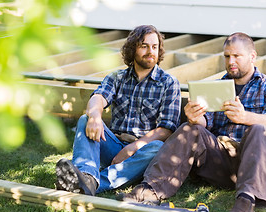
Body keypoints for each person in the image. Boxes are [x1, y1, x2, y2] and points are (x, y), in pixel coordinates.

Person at [117, 32, 266, 212]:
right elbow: (206, 122)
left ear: (252, 56)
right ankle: (149, 190)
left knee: (259, 129)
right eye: (227, 56)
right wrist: (194, 117)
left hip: (260, 165)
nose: (231, 61)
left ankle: (245, 201)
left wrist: (245, 116)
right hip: (224, 162)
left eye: (237, 56)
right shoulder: (218, 86)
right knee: (188, 129)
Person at [55, 25, 181, 196]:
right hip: (113, 146)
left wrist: (132, 148)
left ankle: (91, 183)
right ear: (132, 49)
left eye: (154, 46)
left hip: (141, 153)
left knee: (158, 147)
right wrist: (94, 116)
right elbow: (98, 97)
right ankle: (86, 174)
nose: (150, 51)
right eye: (144, 46)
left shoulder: (169, 83)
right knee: (86, 120)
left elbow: (166, 130)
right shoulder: (117, 78)